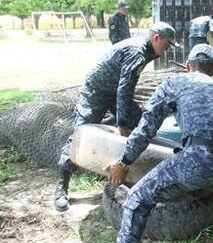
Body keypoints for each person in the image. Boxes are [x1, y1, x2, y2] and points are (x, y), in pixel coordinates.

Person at [100, 44, 213, 243]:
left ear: (188, 66)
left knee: (137, 198)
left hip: (200, 158)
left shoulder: (174, 83)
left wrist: (124, 160)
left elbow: (146, 128)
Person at [54, 23, 176, 212]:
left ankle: (134, 173)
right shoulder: (137, 51)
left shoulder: (146, 49)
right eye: (167, 45)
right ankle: (61, 188)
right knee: (81, 134)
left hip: (113, 92)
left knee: (142, 127)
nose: (166, 49)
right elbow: (124, 91)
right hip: (96, 92)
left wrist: (128, 119)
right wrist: (122, 123)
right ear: (156, 38)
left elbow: (124, 90)